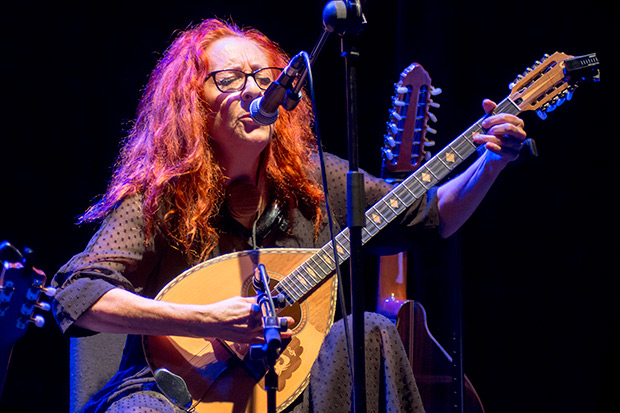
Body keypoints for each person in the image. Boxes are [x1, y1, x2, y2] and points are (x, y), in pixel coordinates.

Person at [51, 18, 527, 412]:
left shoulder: (315, 182)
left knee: (370, 334)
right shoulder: (160, 197)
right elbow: (77, 294)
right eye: (228, 78)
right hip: (173, 392)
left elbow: (430, 215)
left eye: (264, 77)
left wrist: (490, 163)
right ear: (192, 103)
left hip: (291, 385)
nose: (253, 90)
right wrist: (205, 320)